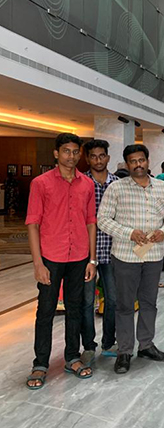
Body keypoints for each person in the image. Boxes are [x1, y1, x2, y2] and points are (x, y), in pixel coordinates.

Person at [25, 133, 97, 389]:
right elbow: (33, 224)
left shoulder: (87, 184)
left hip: (79, 257)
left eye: (76, 152)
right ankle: (40, 363)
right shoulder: (40, 183)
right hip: (51, 257)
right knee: (45, 310)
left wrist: (92, 259)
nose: (71, 156)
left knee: (75, 309)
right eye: (66, 151)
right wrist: (38, 264)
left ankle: (72, 357)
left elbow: (91, 222)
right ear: (56, 153)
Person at [98, 144, 164, 374]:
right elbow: (103, 219)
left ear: (148, 161)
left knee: (149, 303)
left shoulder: (162, 187)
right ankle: (124, 351)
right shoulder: (116, 188)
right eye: (133, 161)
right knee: (124, 305)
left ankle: (146, 345)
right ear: (127, 164)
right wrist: (129, 233)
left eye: (141, 160)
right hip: (125, 256)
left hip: (154, 255)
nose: (138, 164)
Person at [83, 139, 119, 362]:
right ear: (88, 159)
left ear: (108, 157)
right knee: (87, 302)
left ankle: (108, 342)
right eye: (93, 156)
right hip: (87, 254)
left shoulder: (117, 184)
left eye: (101, 156)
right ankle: (88, 346)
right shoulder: (81, 183)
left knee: (113, 299)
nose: (98, 160)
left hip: (113, 251)